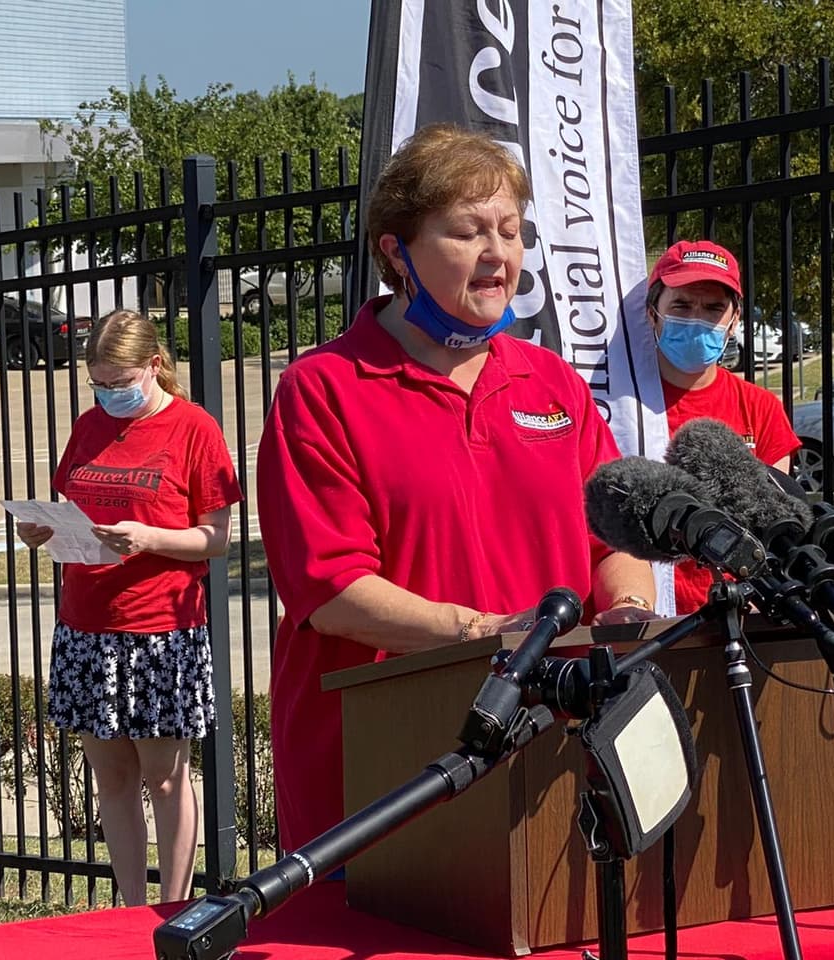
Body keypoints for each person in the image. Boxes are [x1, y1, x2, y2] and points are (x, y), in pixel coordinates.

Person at [256, 123, 658, 852]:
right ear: (396, 252)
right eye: (469, 232)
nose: (498, 253)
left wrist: (630, 609)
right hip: (382, 760)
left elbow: (616, 536)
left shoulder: (551, 380)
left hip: (547, 747)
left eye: (511, 230)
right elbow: (332, 590)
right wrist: (481, 633)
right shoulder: (323, 389)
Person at [15, 309, 242, 905]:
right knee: (111, 777)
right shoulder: (90, 426)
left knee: (165, 777)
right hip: (87, 625)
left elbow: (216, 538)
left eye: (120, 381)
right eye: (100, 381)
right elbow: (72, 507)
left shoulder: (194, 428)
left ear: (154, 365)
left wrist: (149, 538)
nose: (109, 393)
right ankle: (128, 910)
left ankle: (173, 906)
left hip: (160, 628)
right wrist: (39, 530)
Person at [647, 240, 801, 614]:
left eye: (714, 308)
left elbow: (774, 527)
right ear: (653, 313)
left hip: (736, 615)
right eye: (681, 305)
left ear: (733, 322)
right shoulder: (616, 405)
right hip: (643, 616)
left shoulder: (760, 409)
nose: (697, 319)